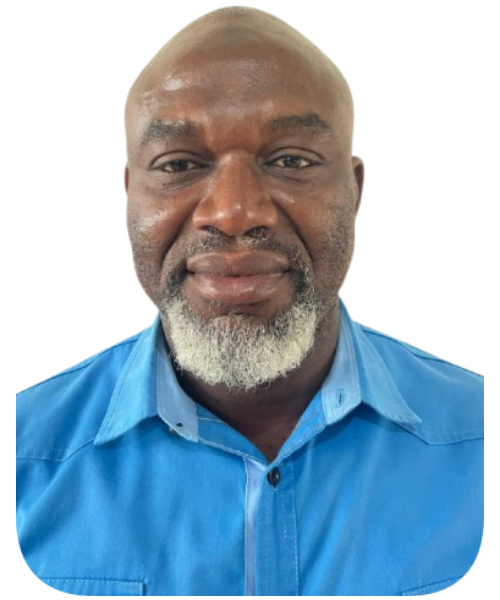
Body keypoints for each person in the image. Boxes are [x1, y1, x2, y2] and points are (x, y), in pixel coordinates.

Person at [16, 6, 483, 597]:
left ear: (354, 192)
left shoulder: (478, 437)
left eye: (291, 161)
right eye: (179, 164)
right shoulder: (24, 458)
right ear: (131, 195)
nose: (234, 213)